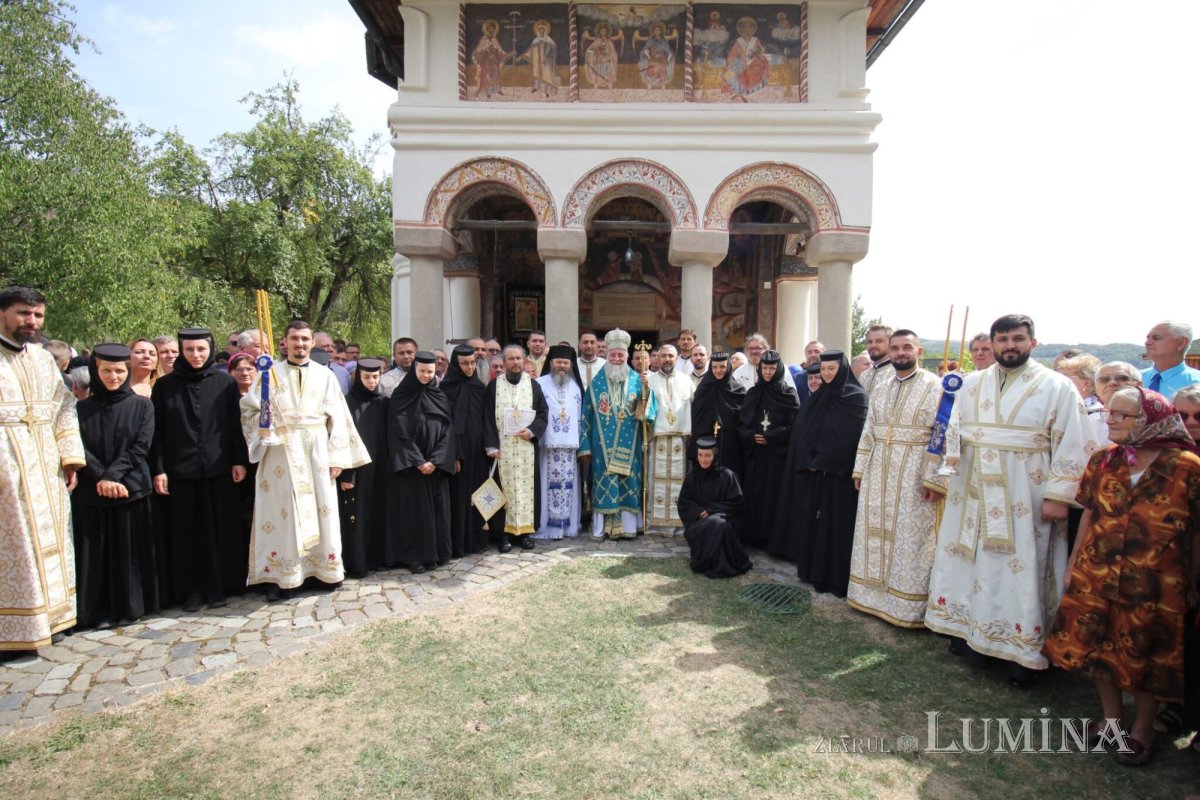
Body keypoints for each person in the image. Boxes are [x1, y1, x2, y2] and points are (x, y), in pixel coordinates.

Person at [924, 314, 1098, 687]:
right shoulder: (970, 383)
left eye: (1017, 339)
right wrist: (945, 468)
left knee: (1024, 569)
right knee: (972, 565)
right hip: (972, 491)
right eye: (1002, 339)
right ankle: (972, 640)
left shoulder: (1057, 386)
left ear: (1032, 343)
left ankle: (1021, 654)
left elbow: (1074, 442)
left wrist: (1060, 495)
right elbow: (950, 429)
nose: (1009, 346)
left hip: (1026, 493)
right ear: (993, 344)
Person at [1043, 387, 1200, 766]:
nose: (1109, 420)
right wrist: (1074, 562)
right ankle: (1111, 721)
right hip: (1097, 573)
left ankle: (1143, 729)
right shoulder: (1104, 460)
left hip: (1156, 584)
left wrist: (1194, 582)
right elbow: (1091, 513)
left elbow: (1197, 533)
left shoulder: (1187, 468)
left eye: (1121, 415)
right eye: (1109, 412)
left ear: (1150, 420)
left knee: (1146, 656)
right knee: (1097, 649)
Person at [241, 321, 370, 598]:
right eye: (294, 339)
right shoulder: (268, 374)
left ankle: (323, 572)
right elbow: (248, 410)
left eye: (304, 339)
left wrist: (338, 458)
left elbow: (340, 418)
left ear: (312, 343)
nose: (299, 344)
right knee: (284, 513)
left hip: (317, 452)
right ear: (285, 342)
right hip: (280, 451)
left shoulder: (326, 376)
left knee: (322, 510)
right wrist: (263, 423)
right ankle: (285, 577)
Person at [0, 287, 85, 658]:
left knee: (51, 541)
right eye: (23, 313)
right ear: (3, 313)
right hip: (7, 467)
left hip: (46, 463)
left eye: (37, 315)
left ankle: (53, 619)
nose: (31, 322)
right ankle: (13, 630)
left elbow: (64, 406)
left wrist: (69, 457)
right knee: (13, 546)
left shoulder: (42, 358)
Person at [846, 332, 945, 624]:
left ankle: (906, 606)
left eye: (907, 347)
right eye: (896, 348)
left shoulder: (935, 386)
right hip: (878, 468)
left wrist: (934, 478)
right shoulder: (881, 386)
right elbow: (869, 429)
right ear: (889, 352)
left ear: (919, 351)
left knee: (909, 536)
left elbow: (942, 434)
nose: (901, 353)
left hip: (914, 470)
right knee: (874, 530)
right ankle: (870, 598)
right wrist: (860, 468)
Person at [152, 328, 249, 612]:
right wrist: (159, 469)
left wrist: (238, 460)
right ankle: (190, 590)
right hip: (181, 471)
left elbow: (234, 426)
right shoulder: (165, 386)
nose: (196, 355)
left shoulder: (224, 383)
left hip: (219, 468)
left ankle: (221, 586)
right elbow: (157, 433)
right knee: (186, 533)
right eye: (190, 349)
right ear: (182, 351)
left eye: (201, 349)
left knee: (220, 529)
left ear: (210, 350)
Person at [72, 344, 159, 628]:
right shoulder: (80, 409)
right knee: (96, 552)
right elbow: (78, 447)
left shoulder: (142, 405)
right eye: (107, 371)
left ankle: (131, 607)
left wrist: (113, 475)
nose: (114, 377)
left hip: (130, 487)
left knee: (129, 552)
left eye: (120, 371)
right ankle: (97, 611)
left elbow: (141, 446)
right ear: (96, 371)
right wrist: (102, 477)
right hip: (93, 489)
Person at [774, 351, 867, 596]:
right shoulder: (817, 397)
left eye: (831, 369)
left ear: (842, 369)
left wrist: (823, 461)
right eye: (823, 369)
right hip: (813, 473)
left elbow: (850, 437)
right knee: (812, 523)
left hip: (839, 476)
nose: (826, 374)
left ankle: (834, 578)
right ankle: (811, 570)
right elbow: (802, 432)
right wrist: (809, 461)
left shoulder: (856, 398)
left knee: (835, 525)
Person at [580, 329, 656, 540]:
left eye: (620, 355)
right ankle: (603, 528)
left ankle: (629, 527)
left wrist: (646, 391)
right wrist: (584, 446)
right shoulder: (596, 383)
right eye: (612, 354)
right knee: (604, 483)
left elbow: (647, 412)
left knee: (629, 483)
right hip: (601, 446)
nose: (616, 358)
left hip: (630, 445)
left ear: (626, 356)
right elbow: (585, 415)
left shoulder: (637, 380)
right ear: (607, 355)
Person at [386, 352, 455, 571]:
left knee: (437, 510)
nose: (426, 375)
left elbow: (448, 430)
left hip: (435, 466)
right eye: (422, 371)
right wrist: (417, 460)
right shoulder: (401, 395)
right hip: (412, 468)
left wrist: (436, 460)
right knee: (414, 513)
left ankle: (437, 553)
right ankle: (414, 557)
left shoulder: (440, 396)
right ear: (414, 370)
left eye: (430, 372)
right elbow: (397, 432)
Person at [485, 344, 549, 551]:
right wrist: (491, 446)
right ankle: (503, 534)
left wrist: (531, 431)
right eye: (511, 359)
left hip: (525, 449)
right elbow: (486, 417)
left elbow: (543, 413)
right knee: (503, 491)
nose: (515, 363)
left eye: (518, 359)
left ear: (524, 361)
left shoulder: (534, 386)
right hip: (502, 450)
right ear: (504, 363)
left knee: (525, 491)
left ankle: (525, 533)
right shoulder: (493, 386)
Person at [737, 350, 799, 548]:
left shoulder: (788, 394)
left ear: (779, 369)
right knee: (753, 493)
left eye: (772, 368)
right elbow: (742, 423)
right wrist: (750, 435)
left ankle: (772, 539)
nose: (768, 372)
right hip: (755, 453)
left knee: (774, 495)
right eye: (765, 368)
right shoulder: (753, 393)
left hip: (776, 455)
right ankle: (753, 535)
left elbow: (794, 425)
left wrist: (772, 437)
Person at [338, 358, 389, 577]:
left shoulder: (384, 402)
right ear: (358, 377)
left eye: (375, 377)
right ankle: (357, 562)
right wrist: (347, 473)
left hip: (380, 468)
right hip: (356, 469)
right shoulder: (347, 403)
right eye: (366, 377)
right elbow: (341, 438)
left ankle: (378, 558)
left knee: (378, 512)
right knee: (356, 515)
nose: (371, 381)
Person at [678, 436, 752, 578]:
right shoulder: (692, 477)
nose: (703, 459)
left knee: (718, 523)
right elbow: (684, 502)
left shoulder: (728, 476)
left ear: (715, 455)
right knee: (713, 524)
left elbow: (737, 503)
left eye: (708, 455)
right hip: (699, 521)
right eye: (700, 455)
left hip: (725, 519)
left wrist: (711, 510)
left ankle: (705, 563)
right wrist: (699, 511)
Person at [442, 345, 490, 556]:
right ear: (456, 364)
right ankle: (458, 544)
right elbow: (447, 423)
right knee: (459, 497)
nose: (470, 367)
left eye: (472, 363)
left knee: (477, 494)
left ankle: (476, 541)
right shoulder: (446, 387)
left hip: (478, 450)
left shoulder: (479, 386)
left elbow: (486, 419)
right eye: (464, 363)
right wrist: (453, 453)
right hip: (457, 450)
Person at [534, 345, 583, 539]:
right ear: (551, 363)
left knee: (569, 486)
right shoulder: (539, 384)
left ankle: (568, 527)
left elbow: (581, 416)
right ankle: (544, 528)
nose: (562, 366)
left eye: (566, 363)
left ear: (571, 365)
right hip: (545, 446)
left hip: (569, 449)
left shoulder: (576, 386)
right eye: (558, 362)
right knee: (545, 486)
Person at [646, 343, 694, 532]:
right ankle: (655, 524)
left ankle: (678, 524)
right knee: (655, 481)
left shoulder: (686, 381)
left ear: (676, 358)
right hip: (656, 439)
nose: (667, 359)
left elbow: (694, 408)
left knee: (680, 483)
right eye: (663, 356)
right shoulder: (649, 380)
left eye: (671, 356)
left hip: (680, 441)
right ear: (657, 358)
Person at [689, 351, 746, 476]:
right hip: (706, 444)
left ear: (728, 367)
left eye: (722, 367)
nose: (718, 370)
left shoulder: (738, 391)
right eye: (714, 367)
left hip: (731, 446)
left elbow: (743, 421)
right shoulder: (703, 389)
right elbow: (696, 418)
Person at [1142, 321, 1200, 400]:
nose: (1147, 343)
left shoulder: (1196, 383)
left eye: (1156, 338)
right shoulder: (1133, 380)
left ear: (1181, 343)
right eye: (1148, 338)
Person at [858, 324, 894, 397]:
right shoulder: (864, 375)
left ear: (891, 343)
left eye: (879, 341)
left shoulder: (898, 373)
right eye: (870, 342)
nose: (873, 345)